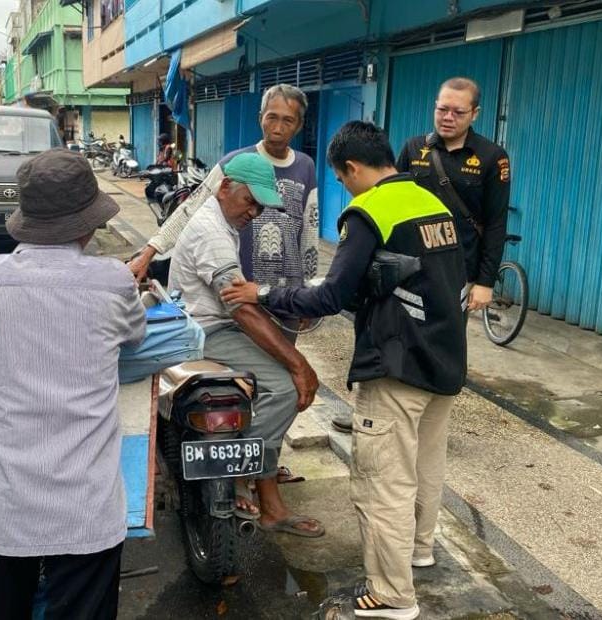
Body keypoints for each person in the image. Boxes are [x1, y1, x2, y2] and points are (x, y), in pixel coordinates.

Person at [222, 121, 467, 619]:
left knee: (382, 481)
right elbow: (411, 276)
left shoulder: (369, 210)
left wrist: (265, 293)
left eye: (341, 178)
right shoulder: (431, 201)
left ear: (352, 168)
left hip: (397, 366)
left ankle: (392, 594)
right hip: (444, 357)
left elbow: (332, 294)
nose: (342, 186)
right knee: (426, 467)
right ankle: (419, 550)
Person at [0, 148, 146, 618]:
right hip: (87, 507)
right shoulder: (114, 281)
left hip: (4, 507)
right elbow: (136, 337)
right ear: (87, 226)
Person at [130, 83, 323, 468]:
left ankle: (262, 465)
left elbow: (309, 230)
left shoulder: (304, 166)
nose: (278, 127)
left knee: (278, 378)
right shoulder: (235, 164)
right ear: (260, 118)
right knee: (277, 379)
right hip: (236, 289)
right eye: (272, 117)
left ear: (299, 125)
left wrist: (306, 294)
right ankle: (246, 469)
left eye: (288, 120)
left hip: (281, 292)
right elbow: (188, 212)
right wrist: (150, 251)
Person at [168, 151, 324, 537]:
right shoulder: (211, 232)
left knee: (273, 381)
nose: (253, 212)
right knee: (286, 389)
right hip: (205, 333)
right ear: (223, 188)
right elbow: (241, 310)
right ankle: (239, 471)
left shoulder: (221, 222)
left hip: (215, 325)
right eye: (249, 201)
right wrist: (298, 365)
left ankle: (261, 492)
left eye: (259, 205)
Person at [397, 76, 511, 313]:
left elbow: (495, 223)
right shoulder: (414, 148)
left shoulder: (491, 156)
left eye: (458, 112)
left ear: (475, 113)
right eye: (442, 109)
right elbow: (394, 203)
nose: (448, 118)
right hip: (411, 266)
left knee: (447, 343)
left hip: (460, 271)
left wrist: (485, 282)